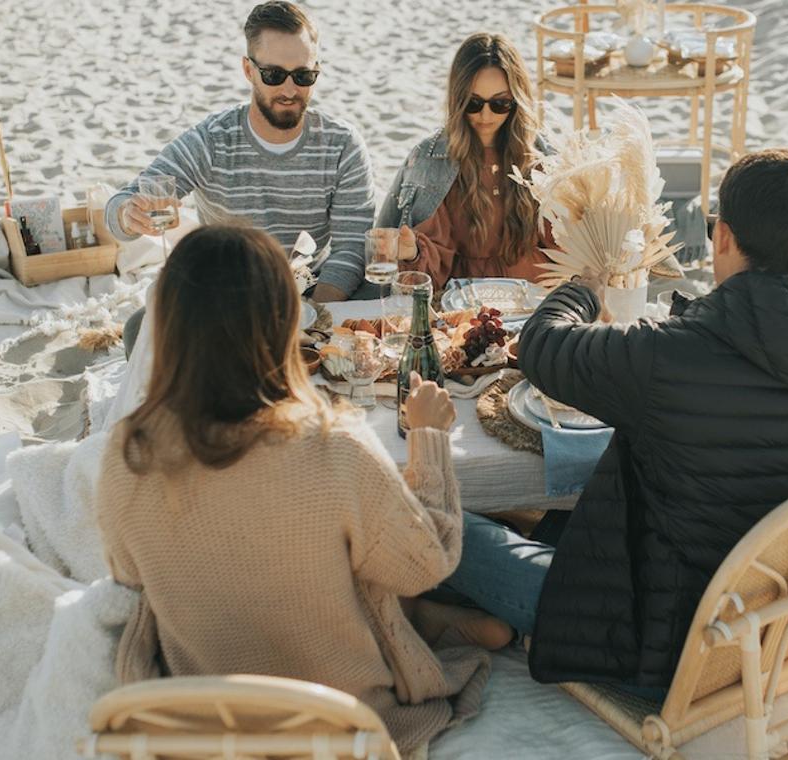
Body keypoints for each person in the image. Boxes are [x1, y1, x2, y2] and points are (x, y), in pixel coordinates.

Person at [438, 148, 788, 693]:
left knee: (440, 520)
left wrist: (583, 287)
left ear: (721, 238)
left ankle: (432, 611)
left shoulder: (674, 356)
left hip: (667, 642)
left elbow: (542, 346)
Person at [96, 225, 510, 754]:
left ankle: (430, 623)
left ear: (168, 327)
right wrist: (429, 437)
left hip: (205, 725)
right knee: (358, 558)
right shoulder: (332, 447)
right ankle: (427, 623)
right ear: (283, 322)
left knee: (297, 562)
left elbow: (128, 576)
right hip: (336, 725)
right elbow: (427, 563)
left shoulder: (124, 456)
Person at [106, 1, 374, 304]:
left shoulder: (343, 145)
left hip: (312, 290)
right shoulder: (211, 141)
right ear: (249, 70)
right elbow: (119, 204)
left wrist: (314, 316)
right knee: (139, 328)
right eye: (273, 75)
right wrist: (130, 215)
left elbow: (352, 247)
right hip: (228, 296)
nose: (289, 90)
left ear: (316, 71)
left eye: (302, 76)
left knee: (384, 290)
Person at [377, 33, 554, 292]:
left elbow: (566, 251)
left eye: (500, 103)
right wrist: (413, 252)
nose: (485, 115)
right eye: (473, 103)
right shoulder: (433, 159)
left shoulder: (542, 156)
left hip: (532, 300)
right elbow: (427, 270)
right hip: (459, 304)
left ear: (517, 100)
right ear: (457, 100)